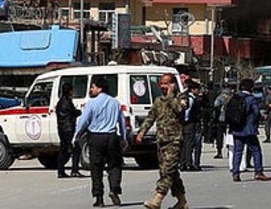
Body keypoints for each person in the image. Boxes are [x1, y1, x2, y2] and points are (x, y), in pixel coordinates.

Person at [136, 73, 190, 209]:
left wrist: (171, 95)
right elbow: (150, 117)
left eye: (166, 83)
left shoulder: (181, 98)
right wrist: (142, 132)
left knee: (168, 170)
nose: (163, 86)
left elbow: (179, 108)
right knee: (170, 172)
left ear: (172, 84)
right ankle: (182, 201)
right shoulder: (159, 100)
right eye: (161, 84)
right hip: (162, 141)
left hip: (174, 140)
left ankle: (157, 199)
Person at [74, 77, 127, 207]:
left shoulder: (91, 103)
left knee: (96, 168)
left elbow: (84, 121)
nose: (91, 90)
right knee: (115, 164)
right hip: (111, 136)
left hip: (96, 138)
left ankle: (99, 198)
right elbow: (122, 122)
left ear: (99, 88)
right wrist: (124, 138)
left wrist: (76, 135)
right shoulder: (115, 103)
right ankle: (114, 189)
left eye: (92, 87)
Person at [230, 78, 271, 182]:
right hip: (249, 129)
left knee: (237, 151)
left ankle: (235, 173)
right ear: (251, 88)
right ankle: (258, 172)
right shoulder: (251, 99)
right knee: (256, 150)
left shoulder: (234, 97)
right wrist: (259, 119)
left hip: (236, 128)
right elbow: (256, 113)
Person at [56, 83, 82, 178]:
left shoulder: (61, 102)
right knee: (75, 148)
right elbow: (73, 112)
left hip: (62, 128)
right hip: (68, 129)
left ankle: (61, 170)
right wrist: (80, 111)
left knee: (64, 149)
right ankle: (74, 170)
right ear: (70, 91)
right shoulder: (66, 102)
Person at [180, 80, 202, 171]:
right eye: (197, 89)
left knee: (184, 144)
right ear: (193, 89)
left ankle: (183, 163)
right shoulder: (191, 99)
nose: (198, 91)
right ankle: (188, 163)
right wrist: (187, 121)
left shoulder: (184, 97)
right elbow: (187, 112)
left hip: (183, 124)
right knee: (188, 144)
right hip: (189, 124)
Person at [212, 85, 231, 158]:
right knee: (229, 137)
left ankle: (219, 152)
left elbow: (215, 106)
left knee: (219, 137)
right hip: (229, 120)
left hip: (220, 120)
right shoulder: (231, 99)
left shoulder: (219, 98)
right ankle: (230, 151)